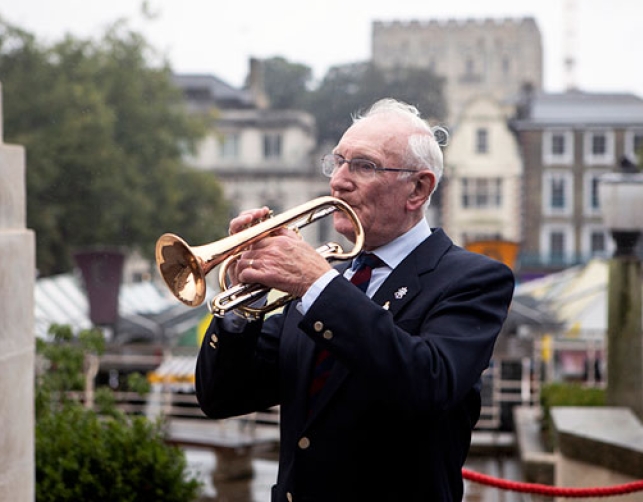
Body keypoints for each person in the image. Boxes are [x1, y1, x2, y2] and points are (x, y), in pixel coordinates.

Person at [195, 98, 515, 501]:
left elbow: (428, 383)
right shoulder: (327, 280)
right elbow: (221, 397)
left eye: (363, 166)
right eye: (337, 162)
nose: (338, 181)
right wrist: (242, 303)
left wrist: (316, 282)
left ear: (418, 188)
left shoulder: (473, 278)